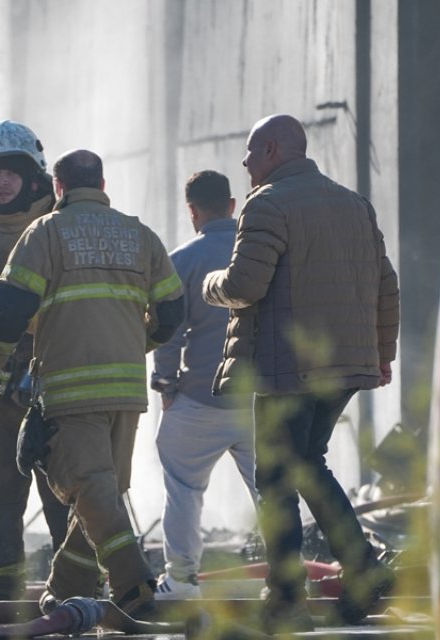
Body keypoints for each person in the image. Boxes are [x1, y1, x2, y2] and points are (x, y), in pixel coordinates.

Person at [202, 114, 400, 634]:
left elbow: (245, 284)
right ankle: (362, 569)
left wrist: (209, 285)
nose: (243, 163)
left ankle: (287, 598)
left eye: (249, 152)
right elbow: (387, 285)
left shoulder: (267, 203)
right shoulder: (355, 204)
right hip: (346, 367)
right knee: (308, 462)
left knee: (275, 480)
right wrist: (383, 355)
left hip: (286, 369)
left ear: (271, 150)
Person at [0, 149, 184, 620]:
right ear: (103, 183)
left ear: (59, 187)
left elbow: (9, 308)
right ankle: (66, 588)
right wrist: (132, 340)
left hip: (72, 390)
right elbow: (172, 313)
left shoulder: (45, 232)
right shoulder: (139, 234)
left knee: (92, 494)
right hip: (127, 393)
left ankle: (134, 589)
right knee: (102, 495)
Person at [0, 120, 71, 601]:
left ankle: (77, 587)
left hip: (54, 389)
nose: (0, 182)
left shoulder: (59, 233)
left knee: (67, 488)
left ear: (35, 178)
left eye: (11, 173)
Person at [150, 170, 257, 601]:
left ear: (192, 210)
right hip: (257, 399)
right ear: (233, 206)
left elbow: (168, 331)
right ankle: (290, 576)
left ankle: (181, 580)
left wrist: (166, 386)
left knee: (183, 487)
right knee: (272, 491)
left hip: (198, 398)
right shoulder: (263, 254)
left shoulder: (182, 259)